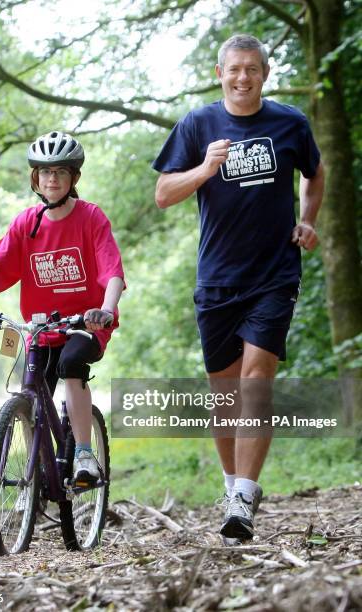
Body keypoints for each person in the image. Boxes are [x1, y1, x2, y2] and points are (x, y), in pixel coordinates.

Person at [152, 34, 324, 542]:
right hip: (218, 279)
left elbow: (315, 174)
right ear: (220, 72)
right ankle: (232, 488)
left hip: (274, 275)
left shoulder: (290, 122)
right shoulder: (198, 124)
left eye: (252, 69)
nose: (243, 78)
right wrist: (205, 168)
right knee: (224, 395)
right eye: (235, 70)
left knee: (255, 382)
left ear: (265, 74)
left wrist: (308, 219)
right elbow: (163, 194)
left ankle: (245, 495)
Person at [0, 130, 125, 483]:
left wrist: (106, 310)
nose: (52, 178)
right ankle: (37, 478)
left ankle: (83, 455)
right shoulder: (26, 224)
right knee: (30, 394)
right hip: (41, 330)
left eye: (61, 171)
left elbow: (112, 273)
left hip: (84, 325)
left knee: (71, 364)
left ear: (73, 178)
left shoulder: (91, 217)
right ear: (36, 178)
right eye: (46, 172)